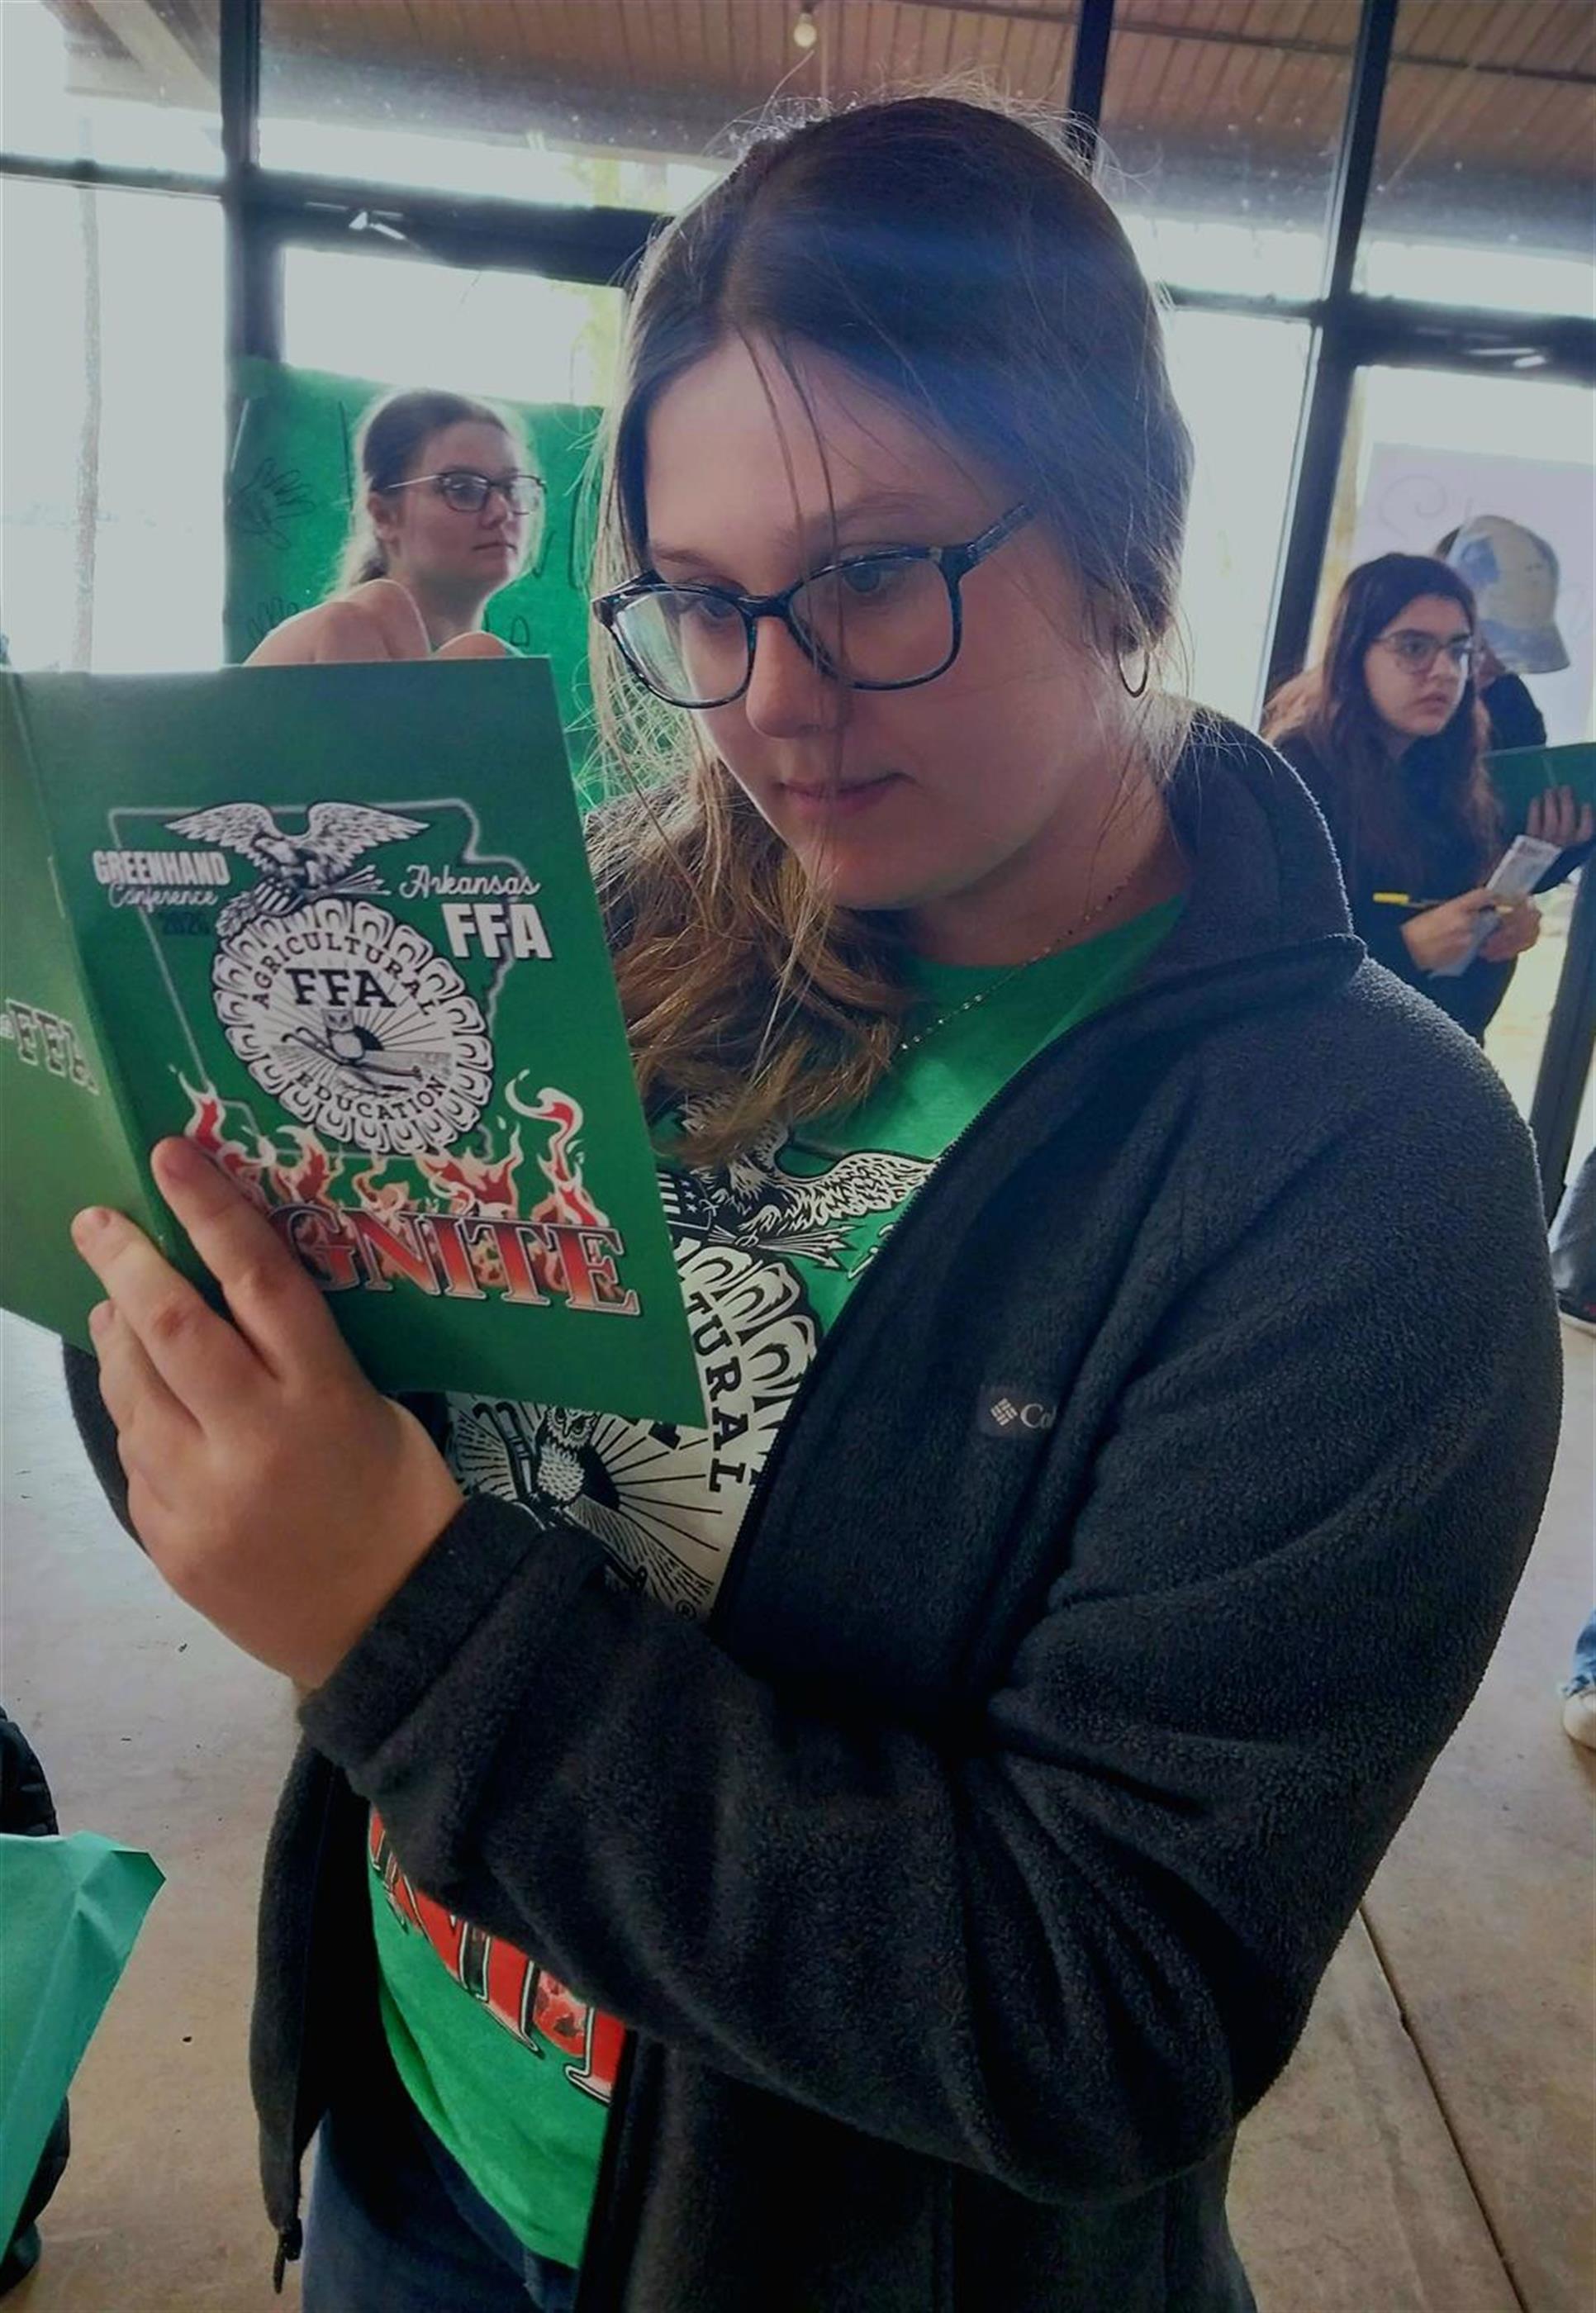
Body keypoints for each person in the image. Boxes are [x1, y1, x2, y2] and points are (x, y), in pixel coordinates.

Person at [64, 97, 1563, 2313]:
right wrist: (216, 1050)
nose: (773, 700)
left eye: (872, 574)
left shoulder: (1352, 1170)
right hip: (410, 2145)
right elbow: (277, 1440)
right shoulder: (600, 926)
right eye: (701, 599)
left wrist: (398, 1616)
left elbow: (1103, 2008)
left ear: (1126, 530)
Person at [1264, 553, 1593, 1042]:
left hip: (1434, 1055)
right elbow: (1266, 975)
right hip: (1325, 1062)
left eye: (1460, 651)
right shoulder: (1295, 775)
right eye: (1414, 647)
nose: (1443, 671)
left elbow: (1452, 916)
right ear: (1353, 652)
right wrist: (1407, 949)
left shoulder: (1452, 769)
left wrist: (1502, 924)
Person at [257, 387, 544, 661]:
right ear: (383, 515)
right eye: (462, 488)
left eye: (511, 488)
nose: (501, 511)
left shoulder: (515, 671)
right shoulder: (318, 641)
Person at [1436, 516, 1570, 753]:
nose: (1501, 664)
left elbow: (1532, 763)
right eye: (1488, 638)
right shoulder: (1387, 702)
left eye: (1518, 639)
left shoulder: (1511, 701)